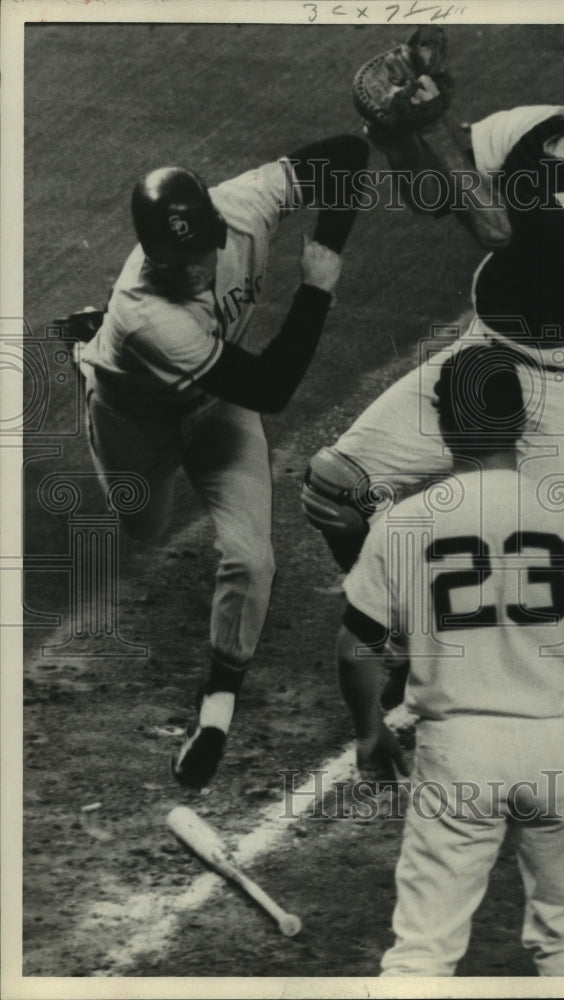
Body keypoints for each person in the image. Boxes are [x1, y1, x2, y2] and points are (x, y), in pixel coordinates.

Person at [302, 26, 564, 571]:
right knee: (335, 487)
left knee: (536, 572)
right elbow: (433, 196)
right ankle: (390, 624)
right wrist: (396, 135)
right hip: (482, 356)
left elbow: (494, 228)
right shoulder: (534, 127)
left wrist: (432, 126)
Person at [336, 344, 564, 977]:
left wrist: (370, 732)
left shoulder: (402, 524)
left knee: (422, 951)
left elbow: (355, 647)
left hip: (460, 754)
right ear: (523, 417)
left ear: (443, 422)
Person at [77, 134, 369, 788]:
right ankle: (89, 356)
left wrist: (331, 240)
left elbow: (349, 155)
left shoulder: (244, 205)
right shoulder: (148, 312)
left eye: (196, 250)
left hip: (215, 406)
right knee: (142, 527)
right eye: (173, 259)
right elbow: (270, 388)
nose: (191, 268)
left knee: (252, 555)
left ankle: (215, 713)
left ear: (214, 222)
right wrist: (316, 289)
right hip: (134, 421)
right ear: (151, 256)